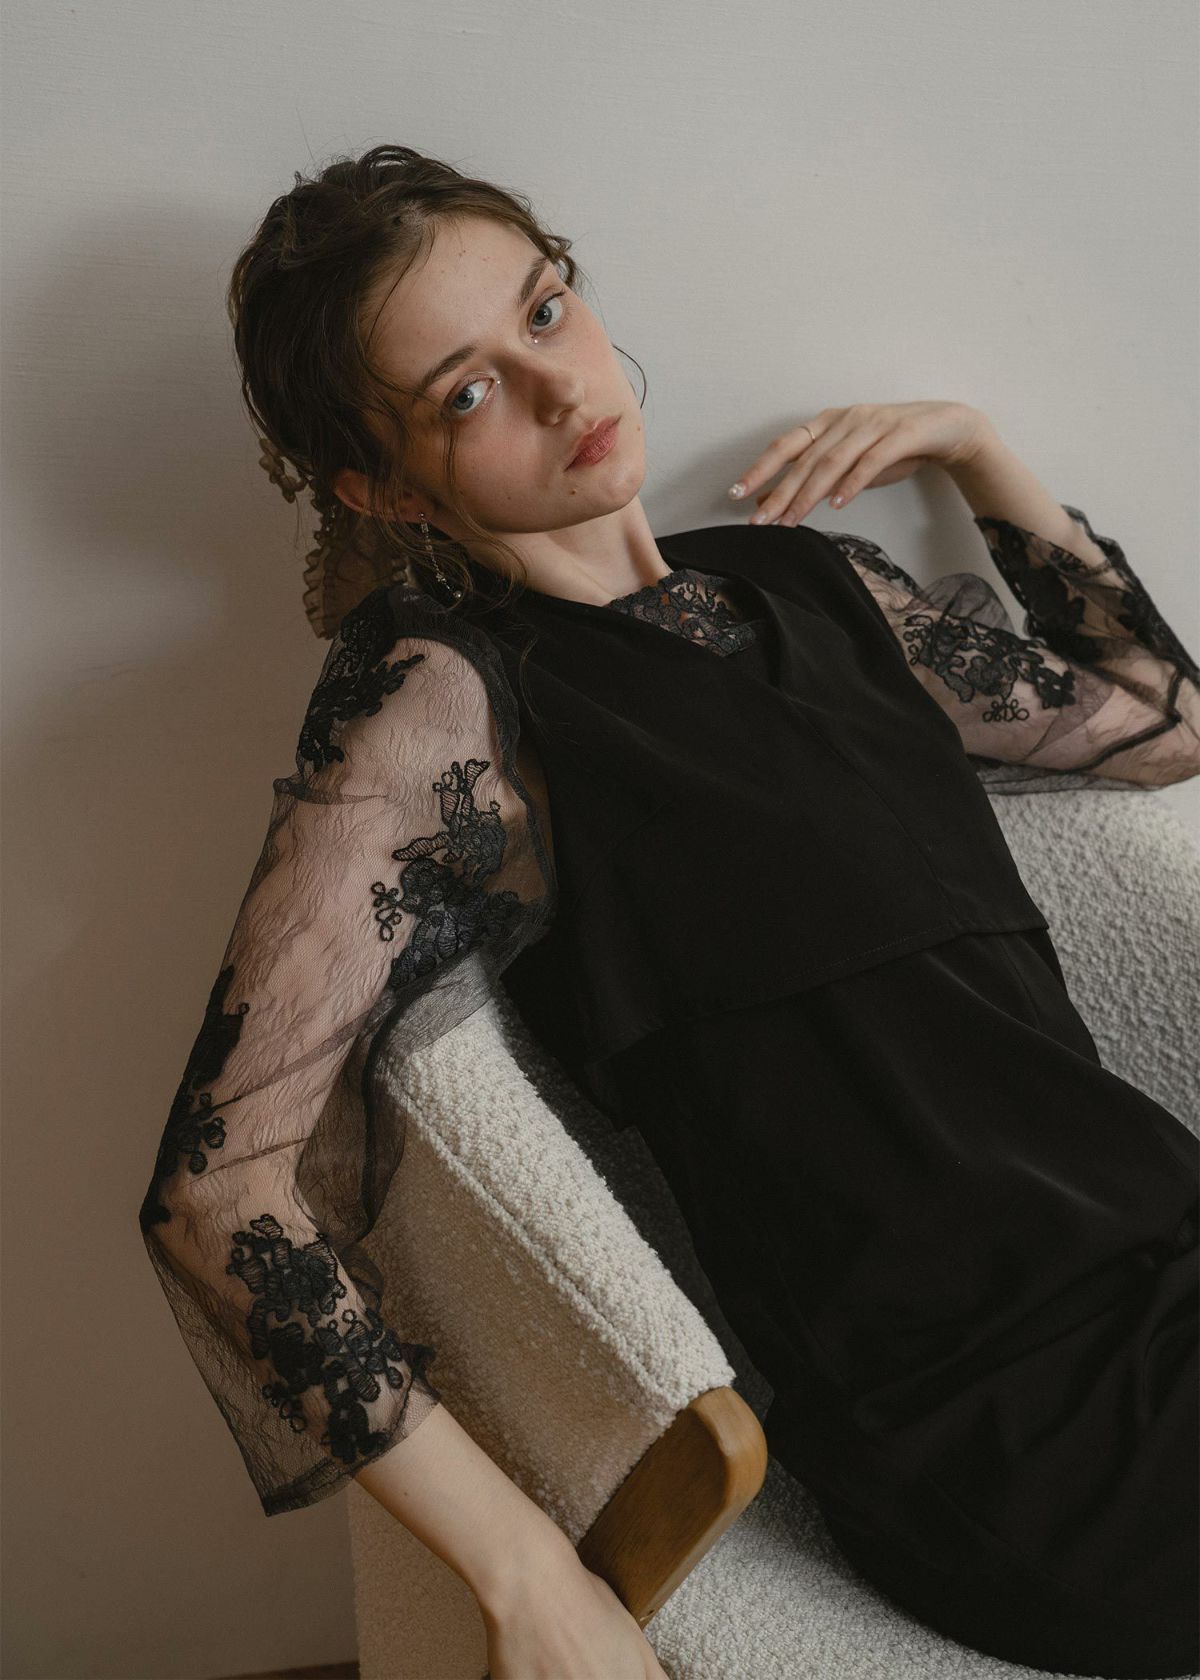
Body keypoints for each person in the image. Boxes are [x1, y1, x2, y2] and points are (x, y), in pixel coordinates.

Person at [138, 144, 1200, 1680]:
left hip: (1166, 1251)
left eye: (545, 311)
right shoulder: (451, 703)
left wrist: (977, 448)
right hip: (1014, 1428)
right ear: (383, 488)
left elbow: (1159, 723)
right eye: (468, 391)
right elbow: (214, 1189)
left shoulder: (811, 589)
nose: (561, 387)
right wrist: (525, 1578)